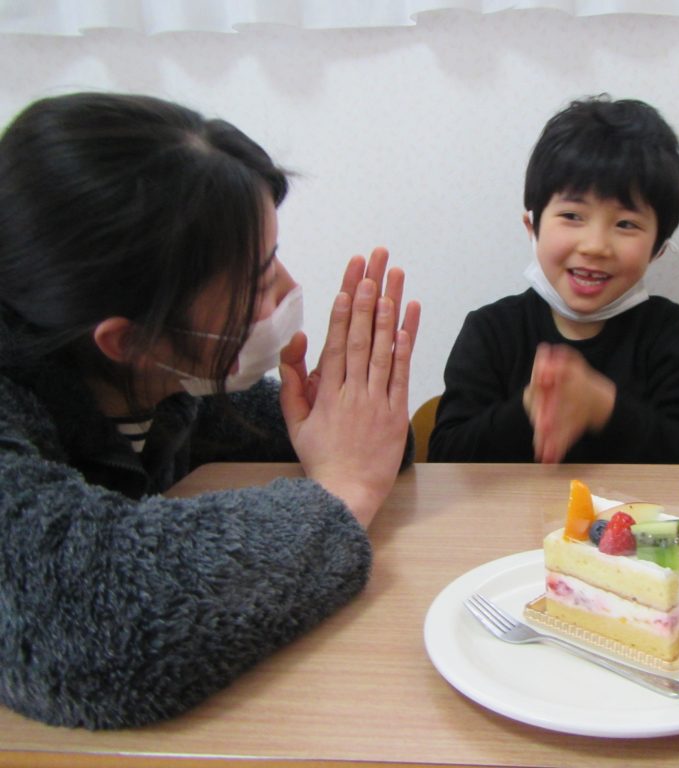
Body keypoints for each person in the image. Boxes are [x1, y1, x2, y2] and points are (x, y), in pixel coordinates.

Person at [0, 92, 420, 729]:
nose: (286, 289)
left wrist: (363, 423)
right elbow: (98, 626)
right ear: (130, 339)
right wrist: (345, 487)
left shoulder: (151, 383)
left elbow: (311, 434)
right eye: (256, 280)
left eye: (273, 256)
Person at [428, 95, 679, 464]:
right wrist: (530, 407)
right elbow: (446, 456)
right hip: (511, 521)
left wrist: (603, 407)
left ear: (658, 249)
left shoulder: (671, 332)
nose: (595, 246)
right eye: (573, 215)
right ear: (532, 226)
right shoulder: (491, 330)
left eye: (625, 224)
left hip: (627, 521)